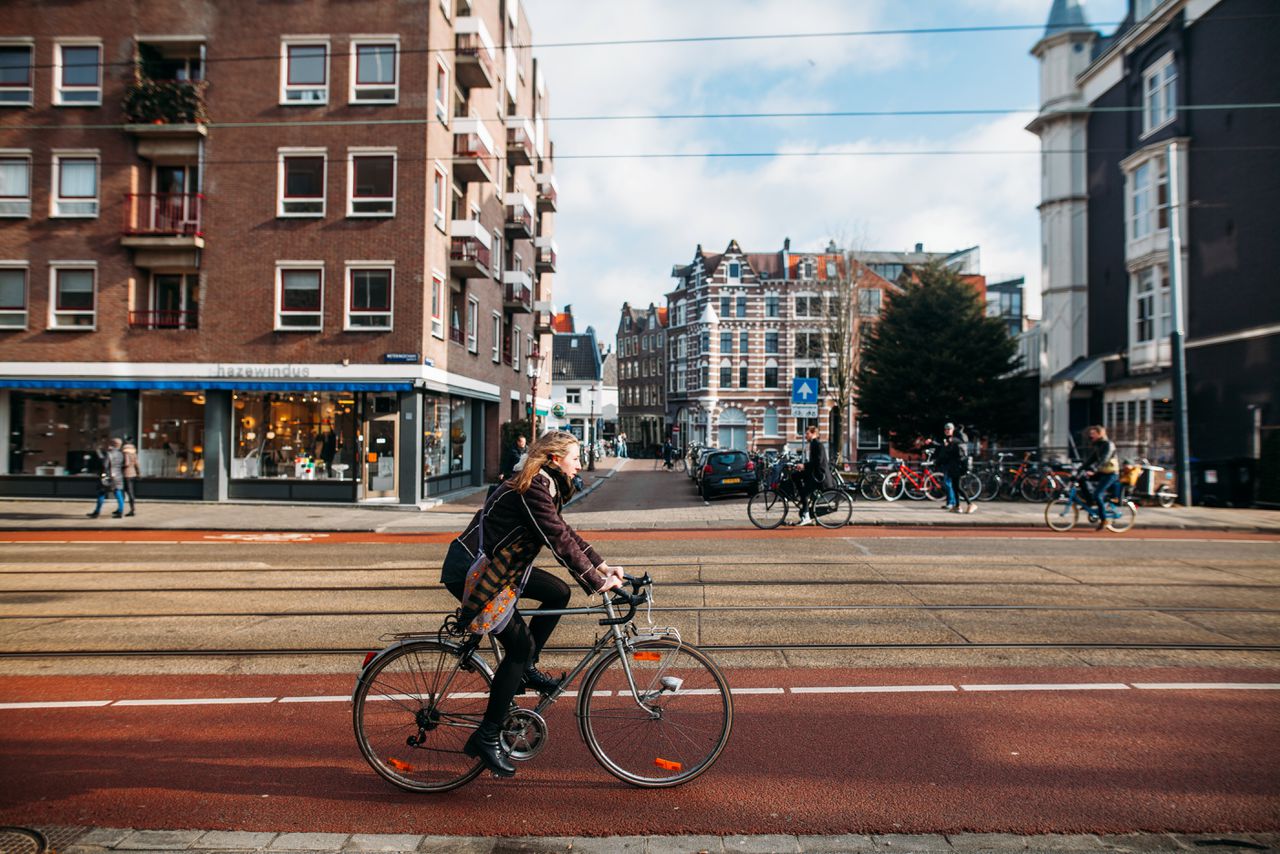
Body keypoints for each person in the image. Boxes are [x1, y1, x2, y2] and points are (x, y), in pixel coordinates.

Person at [439, 430, 625, 777]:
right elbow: (557, 541)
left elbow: (565, 533)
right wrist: (597, 583)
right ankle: (487, 735)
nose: (579, 464)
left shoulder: (544, 485)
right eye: (574, 458)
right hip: (476, 573)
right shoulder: (531, 488)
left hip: (502, 569)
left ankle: (524, 668)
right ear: (555, 459)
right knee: (519, 646)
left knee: (558, 593)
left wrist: (602, 566)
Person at [1080, 424, 1119, 530]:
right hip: (1102, 472)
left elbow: (1104, 459)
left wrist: (1093, 470)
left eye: (1093, 433)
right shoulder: (1098, 445)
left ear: (1100, 434)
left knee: (1098, 494)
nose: (1090, 436)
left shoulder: (1108, 444)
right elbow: (1091, 459)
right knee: (1081, 479)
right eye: (1090, 434)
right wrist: (1081, 469)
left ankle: (1104, 519)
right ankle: (1090, 501)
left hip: (1111, 473)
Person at [793, 424, 832, 526]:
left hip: (818, 476)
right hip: (814, 473)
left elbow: (818, 462)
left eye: (807, 433)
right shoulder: (813, 444)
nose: (805, 436)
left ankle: (806, 516)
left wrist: (804, 465)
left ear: (813, 433)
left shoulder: (818, 444)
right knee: (795, 476)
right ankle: (802, 498)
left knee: (805, 493)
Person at [936, 422, 975, 514]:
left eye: (949, 429)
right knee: (954, 487)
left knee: (957, 487)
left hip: (957, 467)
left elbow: (952, 454)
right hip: (953, 466)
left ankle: (970, 504)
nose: (947, 431)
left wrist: (947, 447)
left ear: (953, 430)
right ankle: (957, 506)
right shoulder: (951, 440)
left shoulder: (954, 440)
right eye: (946, 429)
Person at [88, 438, 126, 519]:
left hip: (108, 476)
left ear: (112, 444)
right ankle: (120, 511)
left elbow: (105, 465)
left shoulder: (109, 454)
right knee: (118, 493)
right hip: (118, 475)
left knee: (101, 493)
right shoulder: (121, 454)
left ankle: (97, 512)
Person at [121, 435, 140, 517]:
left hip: (126, 474)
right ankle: (132, 509)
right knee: (131, 492)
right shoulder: (133, 451)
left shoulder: (125, 450)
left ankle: (123, 509)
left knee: (123, 492)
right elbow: (137, 463)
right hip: (133, 473)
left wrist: (120, 466)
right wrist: (139, 473)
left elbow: (126, 463)